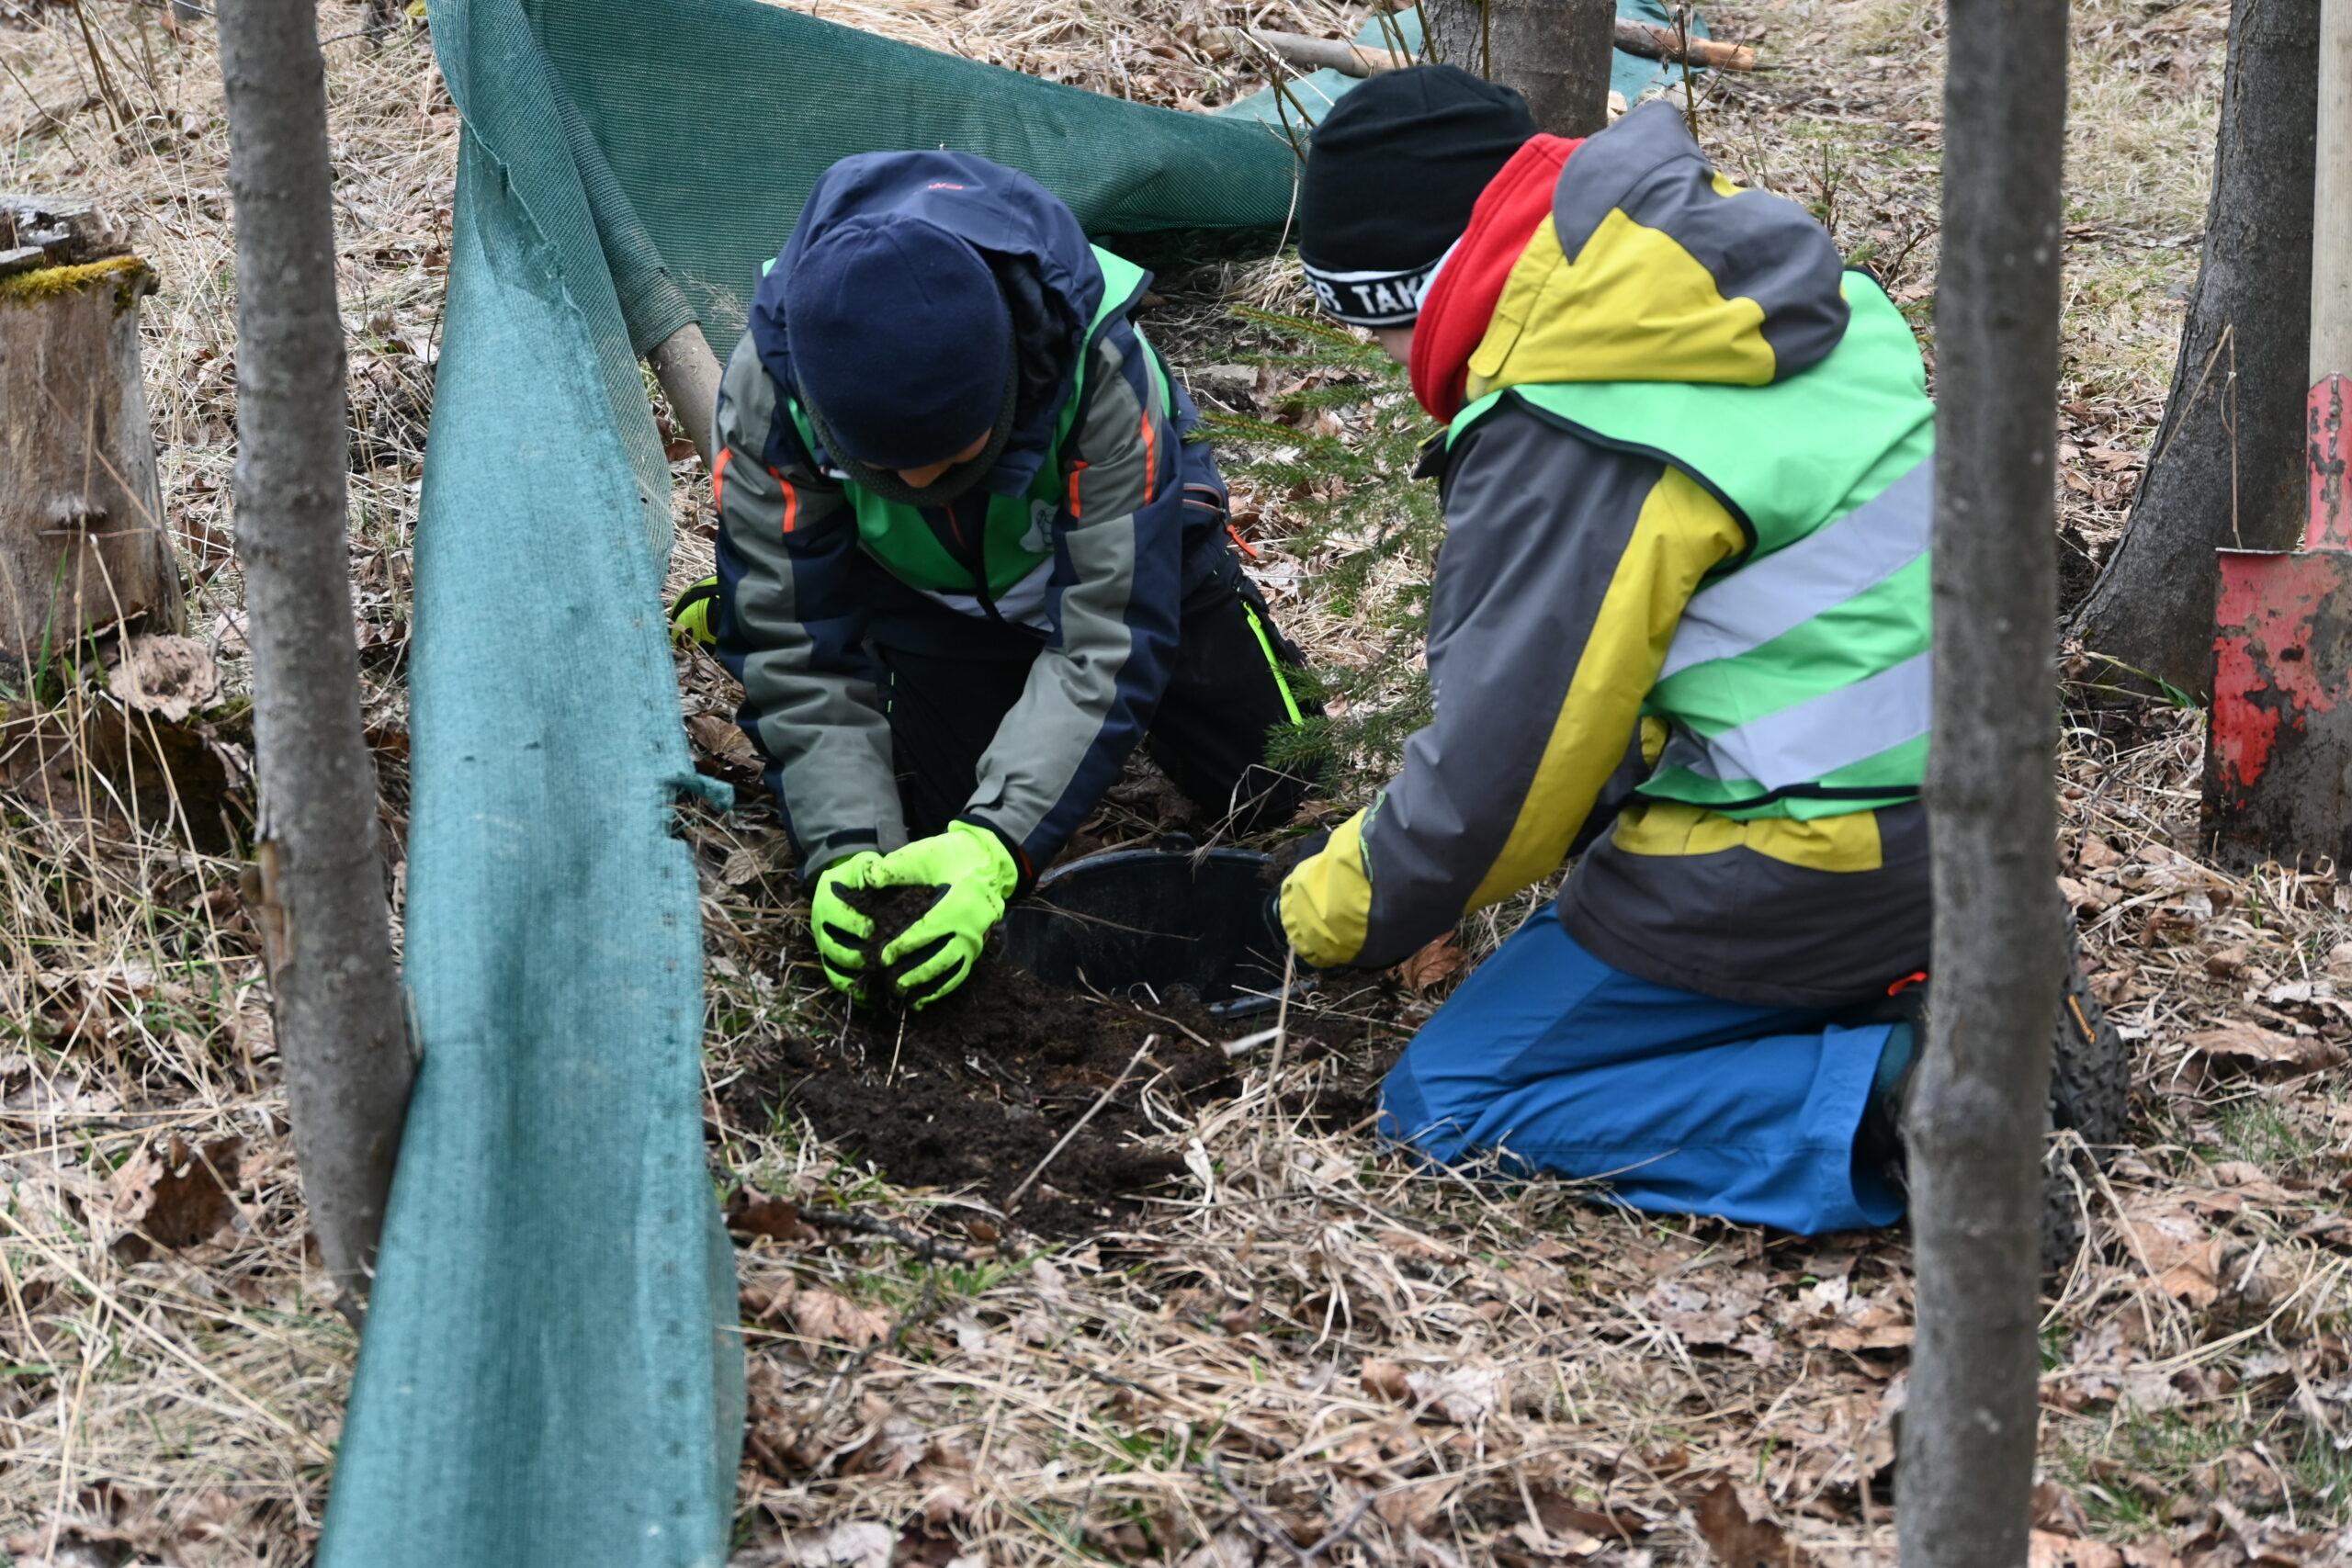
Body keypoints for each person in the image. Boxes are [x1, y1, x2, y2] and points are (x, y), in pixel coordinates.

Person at [1274, 68, 2116, 1235]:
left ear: (1423, 285)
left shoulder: (1573, 424)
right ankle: (1943, 988)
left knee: (1451, 1101)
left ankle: (1923, 1098)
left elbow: (1496, 788)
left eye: (1376, 328)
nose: (1387, 363)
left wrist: (1323, 912)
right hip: (1978, 813)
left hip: (1806, 856)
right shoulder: (1770, 289)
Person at [685, 150, 1315, 1010]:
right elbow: (795, 649)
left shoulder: (1095, 364)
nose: (919, 485)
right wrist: (846, 849)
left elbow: (1107, 630)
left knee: (1293, 785)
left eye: (955, 458)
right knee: (916, 869)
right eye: (884, 470)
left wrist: (998, 841)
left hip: (1147, 564)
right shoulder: (769, 394)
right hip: (930, 604)